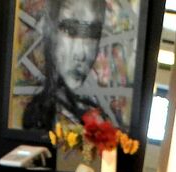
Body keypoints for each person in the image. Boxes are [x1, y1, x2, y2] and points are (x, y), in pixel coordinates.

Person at [21, 0, 111, 131]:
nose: (81, 54)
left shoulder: (94, 115)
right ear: (47, 28)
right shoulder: (38, 115)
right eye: (70, 30)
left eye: (94, 33)